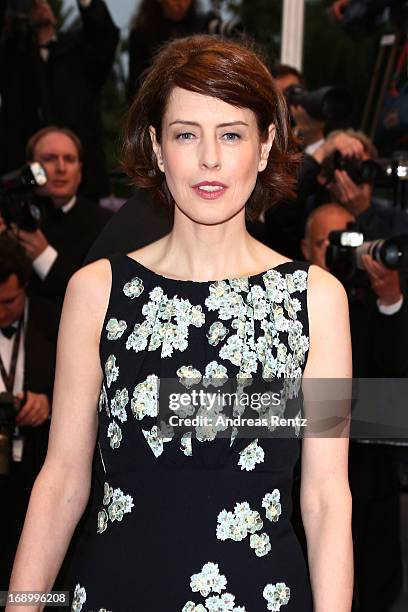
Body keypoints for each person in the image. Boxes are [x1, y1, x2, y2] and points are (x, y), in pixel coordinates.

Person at [8, 35, 352, 611]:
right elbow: (62, 482)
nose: (209, 159)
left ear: (266, 146)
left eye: (232, 134)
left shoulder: (318, 300)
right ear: (158, 146)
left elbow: (325, 497)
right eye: (187, 134)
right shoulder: (96, 291)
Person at [301, 203, 406, 611]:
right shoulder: (290, 309)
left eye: (347, 239)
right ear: (305, 248)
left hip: (371, 487)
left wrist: (391, 300)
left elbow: (397, 391)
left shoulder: (370, 306)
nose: (338, 251)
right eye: (327, 242)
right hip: (305, 491)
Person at [0, 0, 119, 200]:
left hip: (84, 187)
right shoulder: (12, 58)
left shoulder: (78, 51)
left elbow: (104, 35)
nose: (37, 6)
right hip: (24, 184)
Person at [0, 236, 60, 591]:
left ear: (25, 285)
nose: (1, 313)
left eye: (8, 302)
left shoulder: (53, 321)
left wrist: (49, 403)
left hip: (38, 465)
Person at [3, 127, 113, 304]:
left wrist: (42, 254)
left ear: (80, 171)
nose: (61, 168)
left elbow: (98, 296)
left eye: (69, 159)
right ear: (30, 168)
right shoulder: (9, 213)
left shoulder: (106, 224)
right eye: (49, 159)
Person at [127, 0, 217, 103]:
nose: (181, 3)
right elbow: (135, 88)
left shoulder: (205, 27)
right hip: (157, 103)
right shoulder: (141, 35)